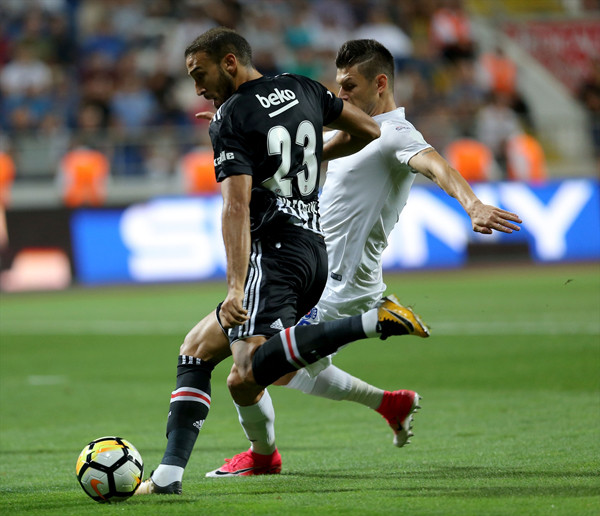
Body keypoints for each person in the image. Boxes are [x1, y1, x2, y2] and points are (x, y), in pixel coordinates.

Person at [204, 39, 522, 478]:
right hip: (312, 272)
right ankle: (388, 404)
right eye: (339, 85)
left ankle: (264, 457)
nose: (342, 94)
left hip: (340, 280)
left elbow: (438, 166)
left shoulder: (396, 133)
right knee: (262, 367)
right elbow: (297, 151)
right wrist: (238, 125)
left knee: (253, 371)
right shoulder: (354, 133)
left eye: (350, 85)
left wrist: (473, 204)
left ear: (381, 83)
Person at [137, 28, 431, 496]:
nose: (197, 87)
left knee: (248, 370)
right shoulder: (303, 87)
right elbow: (370, 130)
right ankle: (184, 473)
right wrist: (300, 154)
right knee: (198, 350)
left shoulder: (231, 117)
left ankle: (372, 322)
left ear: (229, 62)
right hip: (312, 248)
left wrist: (236, 287)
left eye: (200, 73)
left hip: (273, 251)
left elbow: (235, 207)